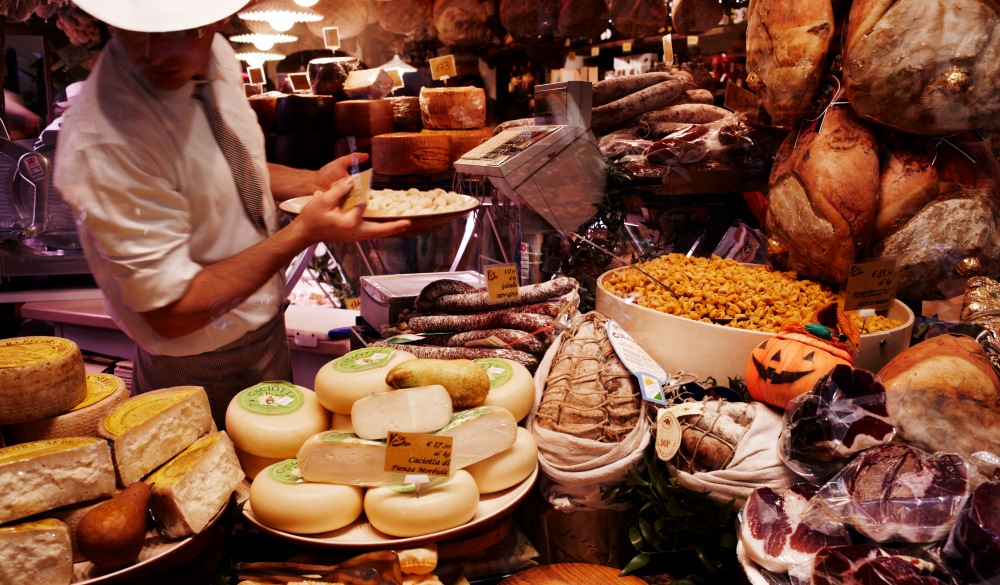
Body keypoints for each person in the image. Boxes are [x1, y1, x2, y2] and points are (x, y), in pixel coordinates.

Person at [54, 0, 410, 427]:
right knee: (210, 488)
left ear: (217, 19)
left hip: (265, 328)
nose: (156, 53)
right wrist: (301, 233)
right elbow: (170, 312)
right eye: (136, 32)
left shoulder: (216, 52)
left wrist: (309, 182)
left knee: (278, 473)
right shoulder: (107, 141)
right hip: (195, 358)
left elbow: (227, 162)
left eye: (181, 31)